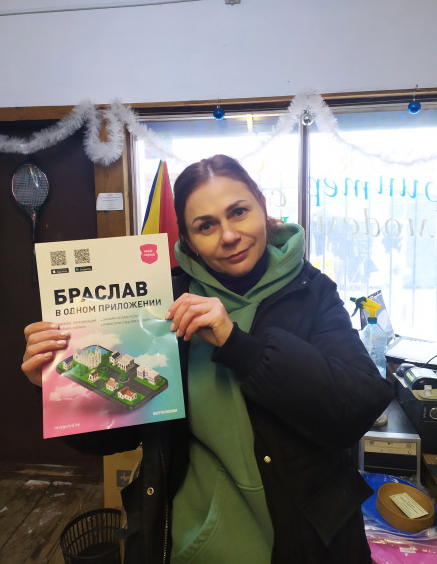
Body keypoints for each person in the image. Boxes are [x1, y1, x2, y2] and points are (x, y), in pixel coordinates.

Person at [22, 154, 393, 564]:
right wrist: (57, 386)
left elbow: (356, 408)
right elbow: (118, 435)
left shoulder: (313, 291)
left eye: (238, 212)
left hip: (308, 542)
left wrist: (236, 343)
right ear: (187, 240)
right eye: (206, 226)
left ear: (262, 207)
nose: (229, 235)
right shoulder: (161, 304)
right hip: (192, 544)